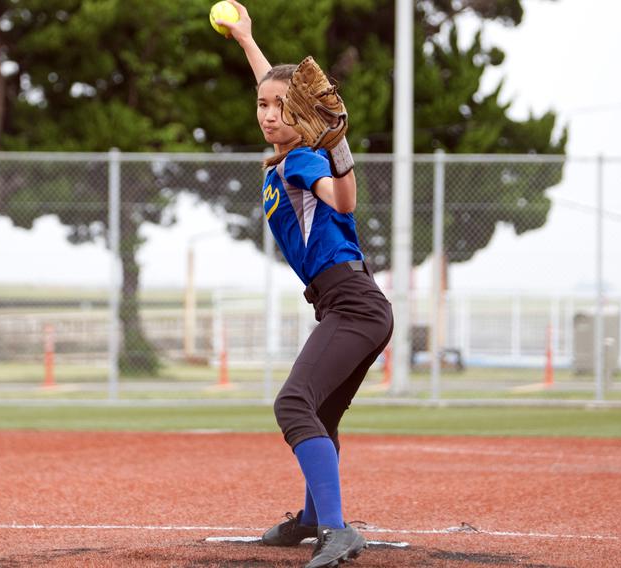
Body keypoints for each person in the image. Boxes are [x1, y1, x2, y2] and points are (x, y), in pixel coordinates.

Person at [218, 3, 394, 567]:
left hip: (353, 303)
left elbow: (344, 200)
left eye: (280, 108)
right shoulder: (287, 155)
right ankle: (316, 518)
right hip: (347, 303)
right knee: (320, 413)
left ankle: (338, 531)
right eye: (262, 106)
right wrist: (247, 40)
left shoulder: (302, 164)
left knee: (294, 404)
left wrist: (339, 148)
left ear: (305, 117)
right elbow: (273, 84)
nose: (268, 115)